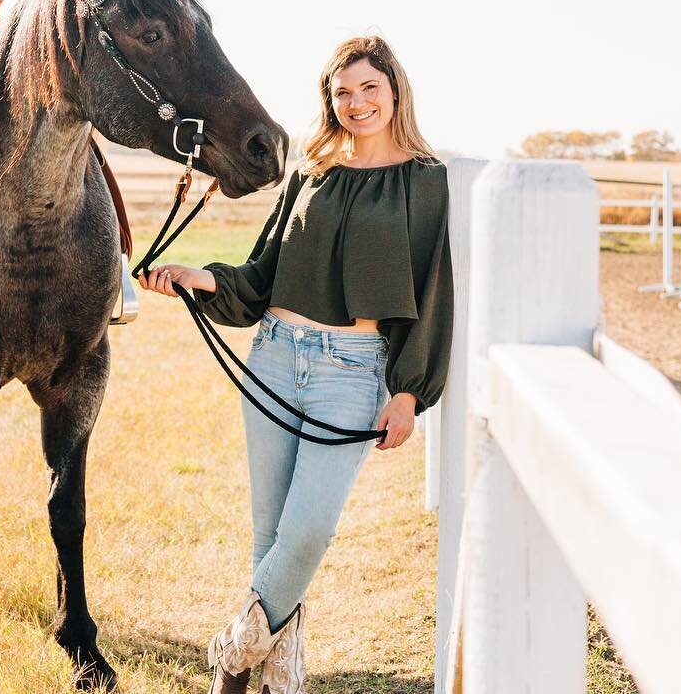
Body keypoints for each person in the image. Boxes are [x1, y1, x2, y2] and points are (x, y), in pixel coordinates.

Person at [140, 35, 454, 694]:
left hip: (353, 369)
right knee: (271, 536)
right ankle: (275, 679)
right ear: (328, 100)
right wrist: (200, 277)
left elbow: (430, 293)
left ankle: (233, 650)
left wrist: (409, 393)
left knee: (307, 530)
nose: (357, 102)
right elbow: (262, 273)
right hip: (276, 355)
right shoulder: (312, 169)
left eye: (370, 87)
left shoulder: (426, 181)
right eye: (343, 92)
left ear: (395, 88)